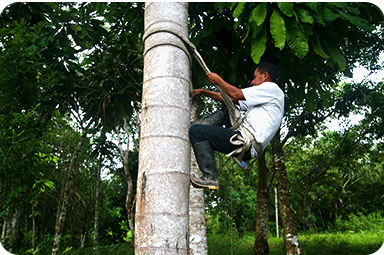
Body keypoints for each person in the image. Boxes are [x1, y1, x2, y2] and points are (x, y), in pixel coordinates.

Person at [189, 62, 284, 190]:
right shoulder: (264, 97)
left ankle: (210, 177)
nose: (252, 82)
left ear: (265, 76)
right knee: (228, 108)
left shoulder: (271, 88)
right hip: (244, 139)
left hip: (246, 143)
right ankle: (197, 127)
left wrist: (218, 81)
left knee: (196, 132)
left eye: (255, 77)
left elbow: (236, 94)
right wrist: (204, 92)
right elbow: (232, 100)